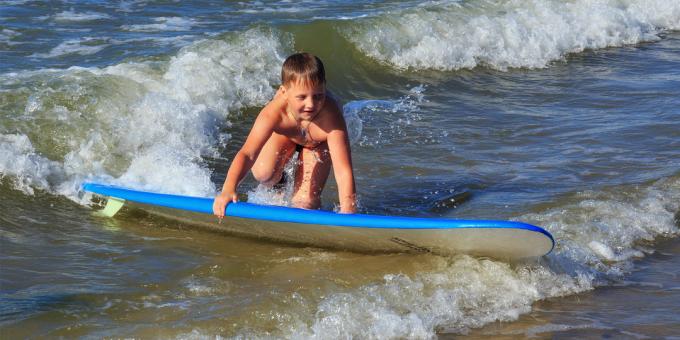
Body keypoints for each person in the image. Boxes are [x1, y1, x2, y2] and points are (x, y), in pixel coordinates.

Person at [212, 52, 357, 218]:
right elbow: (248, 153)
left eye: (318, 96)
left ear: (325, 87)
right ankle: (281, 182)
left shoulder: (331, 117)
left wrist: (348, 211)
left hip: (317, 143)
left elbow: (343, 170)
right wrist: (228, 190)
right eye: (301, 97)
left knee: (306, 204)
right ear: (283, 92)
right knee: (263, 174)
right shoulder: (274, 113)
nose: (311, 104)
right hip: (286, 136)